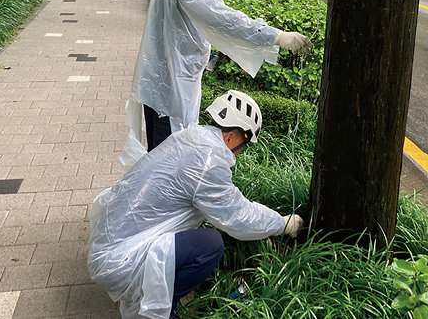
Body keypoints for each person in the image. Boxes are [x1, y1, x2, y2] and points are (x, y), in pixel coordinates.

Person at [88, 90, 304, 319]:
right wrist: (282, 224)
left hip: (109, 238)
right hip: (121, 260)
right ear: (230, 136)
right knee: (211, 244)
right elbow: (240, 218)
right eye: (245, 143)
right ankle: (159, 303)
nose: (242, 151)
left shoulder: (191, 137)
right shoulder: (207, 163)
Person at [123, 0, 311, 160]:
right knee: (165, 163)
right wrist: (275, 36)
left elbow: (193, 24)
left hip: (175, 74)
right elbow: (222, 19)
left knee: (175, 154)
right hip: (167, 84)